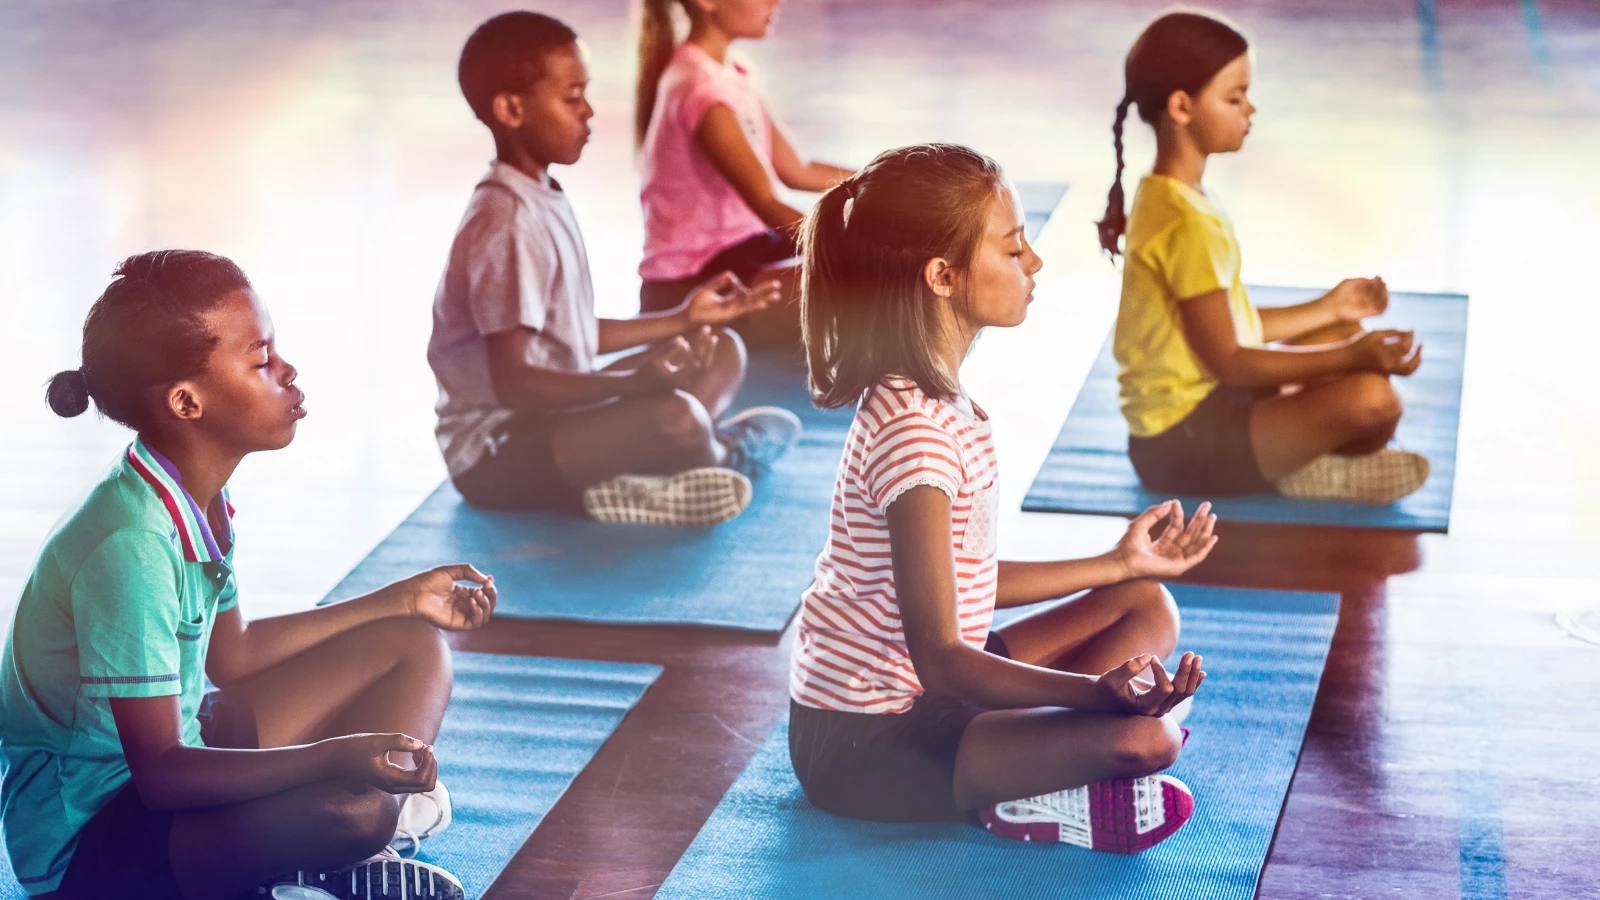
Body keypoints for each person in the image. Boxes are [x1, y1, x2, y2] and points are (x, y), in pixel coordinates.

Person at [0, 250, 497, 900]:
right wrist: (333, 760)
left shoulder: (196, 495)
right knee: (356, 811)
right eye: (262, 361)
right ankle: (309, 866)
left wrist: (403, 599)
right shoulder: (129, 544)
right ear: (186, 401)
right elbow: (163, 778)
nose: (288, 372)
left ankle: (310, 860)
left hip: (177, 755)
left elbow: (233, 655)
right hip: (92, 847)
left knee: (412, 643)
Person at [788, 144, 1215, 852]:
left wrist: (1118, 563)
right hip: (868, 746)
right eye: (1015, 250)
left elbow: (963, 587)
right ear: (943, 276)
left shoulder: (938, 397)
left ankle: (1045, 757)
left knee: (1146, 603)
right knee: (1148, 739)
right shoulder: (915, 439)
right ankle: (1016, 795)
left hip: (936, 686)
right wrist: (1095, 696)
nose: (1035, 264)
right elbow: (943, 658)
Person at [433, 11, 802, 529]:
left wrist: (686, 317)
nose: (589, 112)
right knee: (671, 415)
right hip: (498, 454)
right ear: (512, 109)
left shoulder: (539, 193)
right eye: (571, 97)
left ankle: (659, 468)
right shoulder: (507, 222)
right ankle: (720, 458)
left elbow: (570, 337)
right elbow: (516, 384)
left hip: (552, 420)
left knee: (720, 347)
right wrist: (632, 385)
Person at [1098, 10, 1430, 504]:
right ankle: (1300, 469)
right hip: (1182, 447)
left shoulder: (1169, 195)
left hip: (1204, 413)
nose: (1249, 110)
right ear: (1182, 107)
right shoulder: (1187, 222)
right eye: (1234, 98)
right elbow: (1231, 361)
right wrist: (1353, 357)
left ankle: (1294, 450)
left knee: (1343, 335)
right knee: (1375, 402)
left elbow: (1230, 330)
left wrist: (1332, 309)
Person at [634, 0, 853, 347]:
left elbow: (797, 170)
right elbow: (766, 201)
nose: (775, 2)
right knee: (864, 279)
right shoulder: (699, 89)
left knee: (875, 270)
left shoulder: (734, 71)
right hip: (694, 283)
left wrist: (883, 177)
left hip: (747, 249)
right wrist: (854, 251)